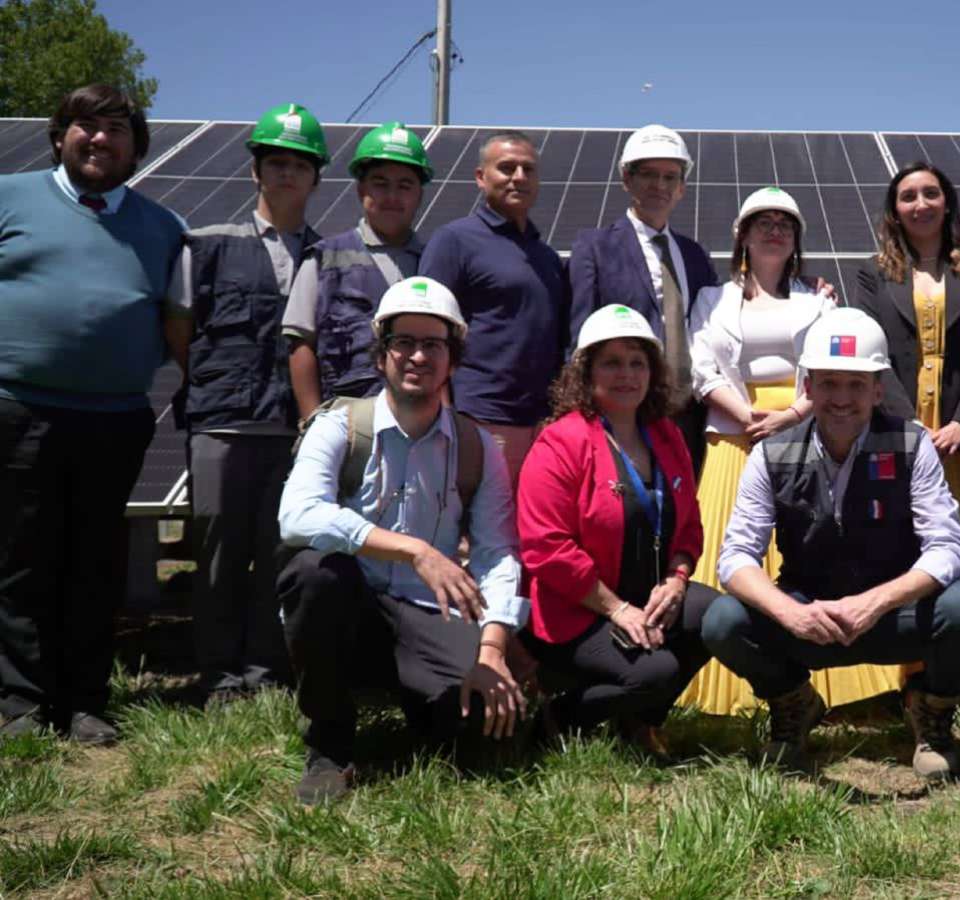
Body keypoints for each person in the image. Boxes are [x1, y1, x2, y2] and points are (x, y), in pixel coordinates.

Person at [702, 308, 960, 780]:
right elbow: (736, 558)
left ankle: (930, 713)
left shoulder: (911, 444)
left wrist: (875, 603)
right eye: (829, 383)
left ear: (878, 389)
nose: (842, 398)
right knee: (722, 621)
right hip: (808, 617)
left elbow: (949, 548)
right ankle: (794, 702)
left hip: (891, 615)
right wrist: (789, 613)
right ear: (808, 387)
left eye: (856, 385)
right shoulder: (769, 455)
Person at [277, 277, 527, 804]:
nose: (417, 356)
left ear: (453, 358)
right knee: (314, 573)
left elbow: (496, 551)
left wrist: (493, 648)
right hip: (352, 606)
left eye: (433, 344)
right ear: (381, 354)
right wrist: (415, 549)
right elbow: (296, 516)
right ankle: (330, 742)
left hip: (425, 613)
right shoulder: (341, 426)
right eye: (403, 342)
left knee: (483, 719)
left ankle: (420, 705)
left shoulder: (476, 445)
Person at [0, 85, 185, 743]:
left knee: (94, 562)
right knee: (20, 560)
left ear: (136, 148)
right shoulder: (9, 197)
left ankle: (83, 701)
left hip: (115, 418)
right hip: (18, 410)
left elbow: (178, 322)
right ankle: (18, 704)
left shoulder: (163, 227)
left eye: (116, 130)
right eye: (86, 126)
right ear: (60, 136)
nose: (100, 139)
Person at [171, 103, 328, 704]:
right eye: (277, 163)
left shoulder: (324, 253)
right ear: (256, 172)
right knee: (217, 557)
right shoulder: (208, 244)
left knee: (279, 554)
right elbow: (179, 328)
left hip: (293, 433)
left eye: (299, 165)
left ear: (315, 178)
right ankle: (220, 677)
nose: (288, 175)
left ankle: (266, 673)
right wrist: (217, 384)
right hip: (224, 424)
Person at [517, 305, 716, 755]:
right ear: (586, 373)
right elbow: (545, 547)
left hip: (647, 597)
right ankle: (562, 717)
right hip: (579, 610)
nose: (626, 374)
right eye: (611, 362)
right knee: (657, 672)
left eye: (637, 362)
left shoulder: (666, 435)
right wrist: (617, 609)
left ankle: (639, 722)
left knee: (718, 619)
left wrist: (677, 579)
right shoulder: (561, 441)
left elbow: (689, 528)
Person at [678, 187, 837, 713]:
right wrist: (747, 417)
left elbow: (833, 370)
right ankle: (727, 688)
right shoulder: (709, 299)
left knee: (805, 556)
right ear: (742, 236)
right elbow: (701, 367)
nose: (774, 230)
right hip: (734, 436)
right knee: (730, 555)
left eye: (785, 224)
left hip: (805, 436)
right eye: (762, 222)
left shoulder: (821, 301)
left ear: (796, 241)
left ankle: (812, 678)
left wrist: (791, 417)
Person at [854, 162, 960, 582]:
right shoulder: (873, 275)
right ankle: (901, 649)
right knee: (899, 556)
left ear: (947, 204)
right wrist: (911, 430)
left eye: (930, 193)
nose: (921, 204)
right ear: (894, 211)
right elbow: (872, 356)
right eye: (908, 196)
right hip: (897, 439)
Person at [418, 130, 569, 490]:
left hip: (541, 424)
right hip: (481, 419)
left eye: (528, 169)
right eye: (506, 167)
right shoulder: (455, 240)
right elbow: (430, 328)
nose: (519, 177)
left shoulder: (546, 257)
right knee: (476, 533)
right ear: (480, 177)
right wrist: (444, 413)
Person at [568, 125, 719, 472]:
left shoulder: (694, 255)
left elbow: (719, 324)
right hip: (622, 417)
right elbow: (578, 339)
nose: (660, 186)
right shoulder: (595, 248)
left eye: (670, 176)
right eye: (649, 174)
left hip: (689, 418)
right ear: (627, 179)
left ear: (682, 187)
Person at [283, 122, 433, 417]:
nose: (392, 196)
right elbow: (300, 346)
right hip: (345, 424)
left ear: (419, 195)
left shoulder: (435, 263)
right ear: (361, 189)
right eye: (380, 183)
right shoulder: (324, 259)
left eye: (404, 185)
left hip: (419, 425)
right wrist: (312, 424)